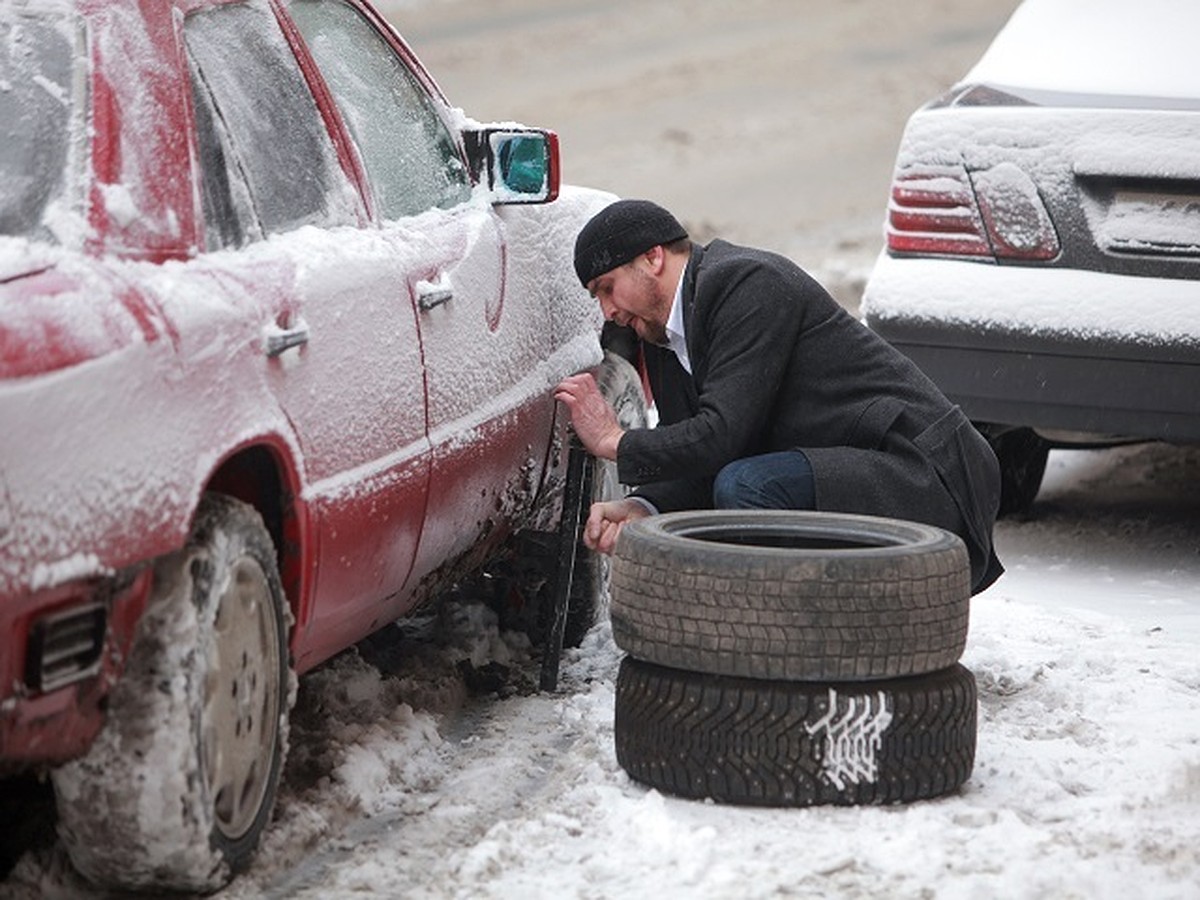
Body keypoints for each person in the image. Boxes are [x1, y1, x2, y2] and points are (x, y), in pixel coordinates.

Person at [554, 199, 1003, 594]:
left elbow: (721, 435)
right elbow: (701, 458)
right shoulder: (665, 337)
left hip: (927, 472)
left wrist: (615, 440)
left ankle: (793, 647)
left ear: (653, 257)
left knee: (748, 486)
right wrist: (643, 506)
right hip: (845, 472)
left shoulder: (747, 284)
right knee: (741, 482)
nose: (608, 312)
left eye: (608, 288)